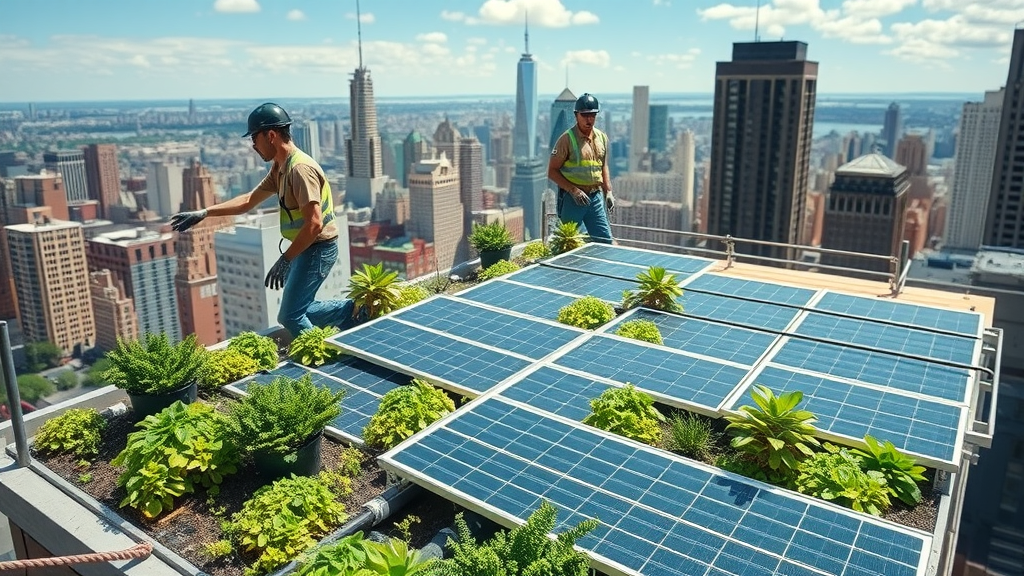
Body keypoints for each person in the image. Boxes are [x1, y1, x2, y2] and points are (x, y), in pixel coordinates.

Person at [170, 102, 356, 338]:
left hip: (318, 248)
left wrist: (285, 260)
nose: (253, 145)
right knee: (299, 310)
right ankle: (352, 311)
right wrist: (204, 213)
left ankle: (321, 351)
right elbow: (248, 200)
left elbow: (314, 224)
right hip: (306, 246)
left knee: (290, 316)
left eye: (254, 138)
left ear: (271, 136)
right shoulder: (281, 167)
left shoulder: (300, 170)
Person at [547, 92, 615, 244]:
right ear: (576, 115)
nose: (589, 119)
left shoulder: (602, 138)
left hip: (595, 197)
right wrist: (574, 190)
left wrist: (608, 191)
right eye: (584, 115)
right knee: (566, 241)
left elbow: (603, 166)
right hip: (573, 199)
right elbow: (552, 171)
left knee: (604, 240)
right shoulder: (566, 139)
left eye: (592, 115)